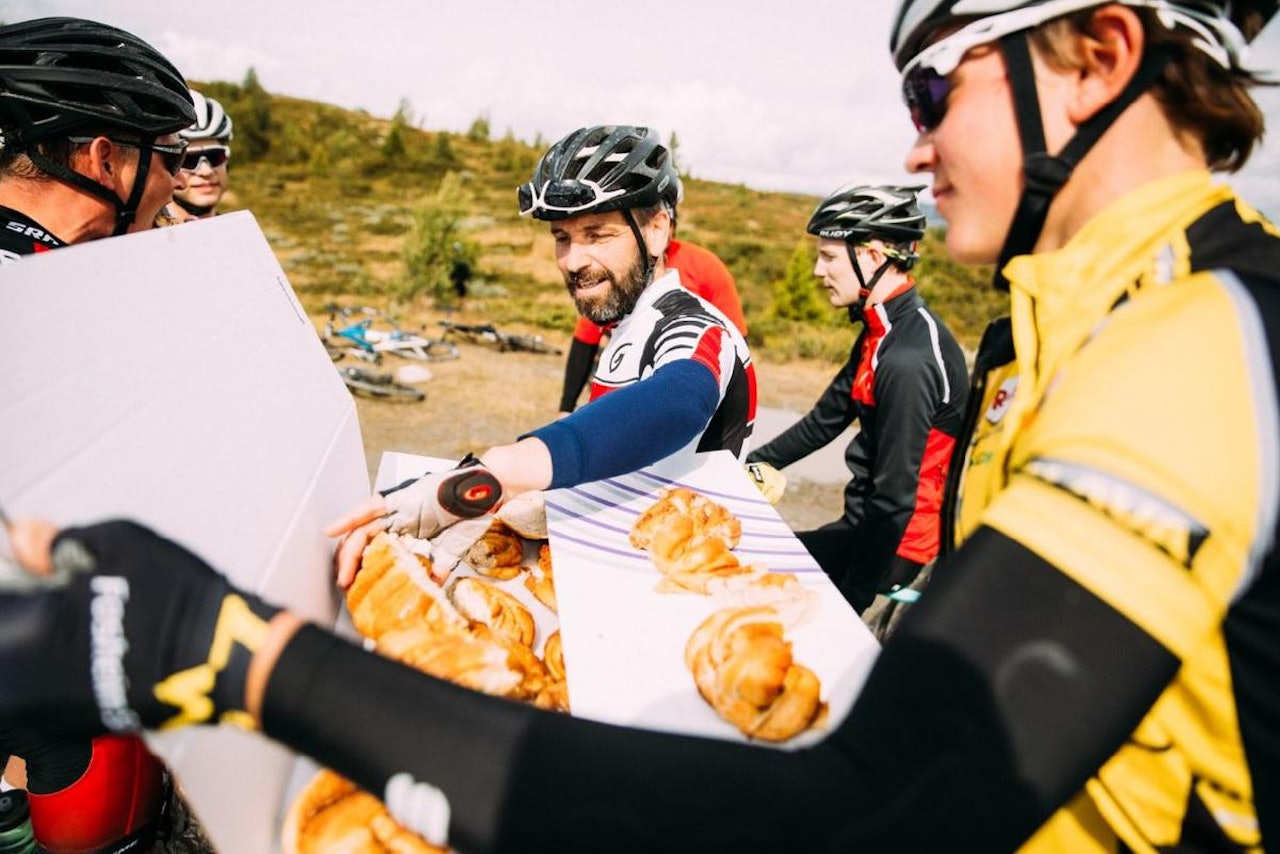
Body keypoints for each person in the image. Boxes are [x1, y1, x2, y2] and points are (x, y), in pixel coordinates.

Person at [1, 2, 1277, 851]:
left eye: (937, 84)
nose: (913, 133)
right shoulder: (1086, 325)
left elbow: (863, 813)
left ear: (1102, 56)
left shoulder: (1196, 346)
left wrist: (233, 651)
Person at [326, 123, 756, 583]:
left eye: (597, 234)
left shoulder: (694, 324)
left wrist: (503, 470)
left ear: (656, 230)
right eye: (562, 237)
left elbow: (679, 399)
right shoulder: (630, 322)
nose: (572, 261)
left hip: (678, 582)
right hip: (625, 561)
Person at [0, 17, 212, 853]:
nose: (177, 179)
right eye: (167, 155)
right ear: (102, 159)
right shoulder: (48, 306)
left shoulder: (52, 275)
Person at [747, 183, 968, 614]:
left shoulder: (909, 358)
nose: (817, 270)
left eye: (829, 257)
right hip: (865, 527)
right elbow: (825, 421)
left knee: (758, 586)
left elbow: (894, 498)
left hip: (898, 548)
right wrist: (744, 467)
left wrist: (852, 598)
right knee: (753, 563)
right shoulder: (880, 331)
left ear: (872, 256)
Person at [558, 179, 748, 415]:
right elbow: (584, 342)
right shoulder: (618, 271)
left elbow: (736, 341)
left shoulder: (705, 266)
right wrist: (566, 408)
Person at [163, 89, 234, 223]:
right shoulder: (139, 238)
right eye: (188, 160)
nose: (206, 171)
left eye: (215, 157)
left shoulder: (240, 234)